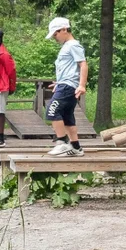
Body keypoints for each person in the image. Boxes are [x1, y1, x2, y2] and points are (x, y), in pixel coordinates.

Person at [44, 16, 88, 156]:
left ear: (64, 29)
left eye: (56, 34)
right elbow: (68, 67)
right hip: (65, 84)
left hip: (69, 86)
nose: (55, 37)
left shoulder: (73, 45)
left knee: (51, 111)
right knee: (67, 116)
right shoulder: (67, 46)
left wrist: (82, 85)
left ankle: (61, 142)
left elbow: (83, 64)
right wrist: (59, 81)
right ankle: (76, 147)